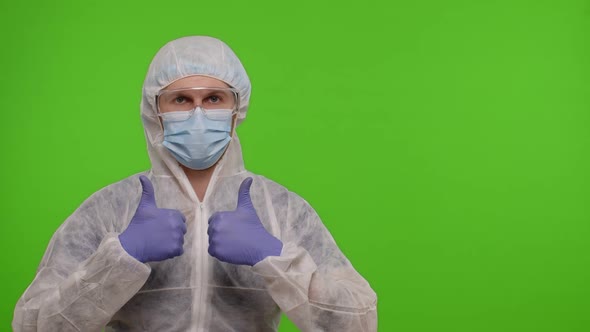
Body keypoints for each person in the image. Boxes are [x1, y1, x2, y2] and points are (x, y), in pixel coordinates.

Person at [12, 36, 378, 331]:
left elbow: (358, 324)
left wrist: (274, 257)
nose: (199, 114)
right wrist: (120, 259)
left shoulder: (280, 208)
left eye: (214, 98)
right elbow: (32, 324)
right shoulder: (111, 208)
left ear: (237, 110)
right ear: (156, 111)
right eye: (181, 99)